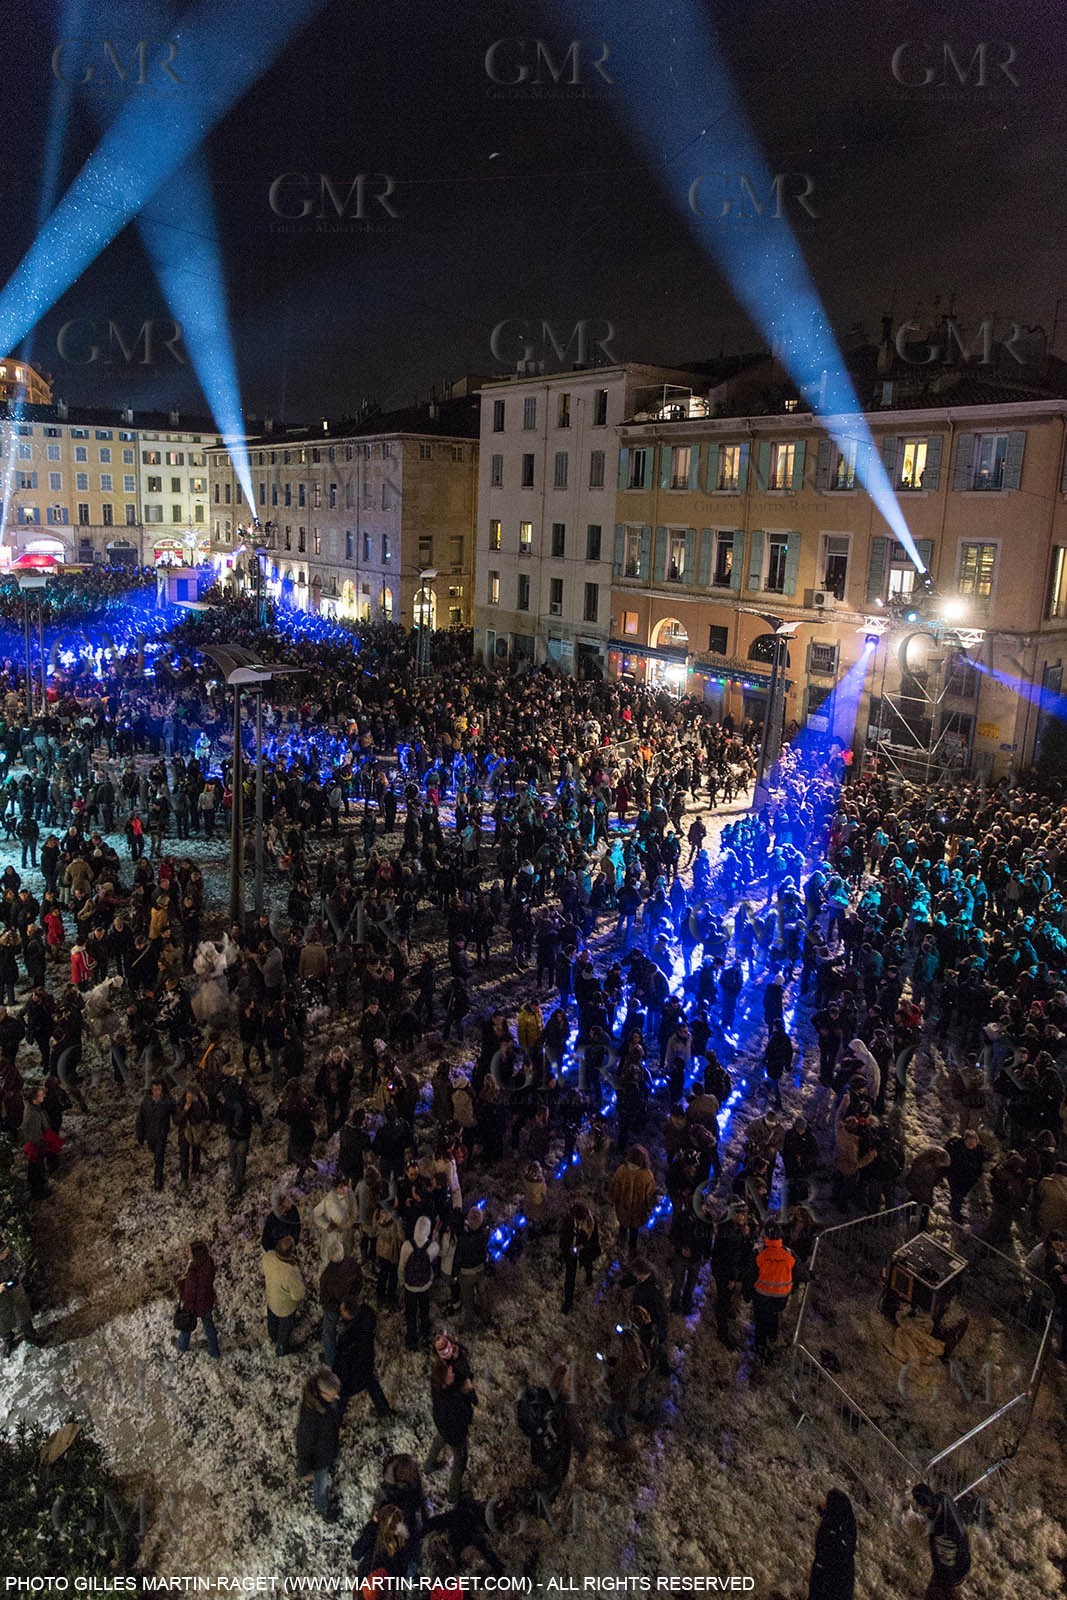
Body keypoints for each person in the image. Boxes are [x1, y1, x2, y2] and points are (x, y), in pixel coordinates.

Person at [425, 1331, 476, 1504]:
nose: (452, 1373)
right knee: (461, 1460)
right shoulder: (449, 1399)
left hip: (443, 1426)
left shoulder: (439, 1381)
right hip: (455, 1431)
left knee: (440, 1438)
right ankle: (453, 1495)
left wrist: (457, 1356)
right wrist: (466, 1391)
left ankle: (428, 1465)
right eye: (450, 1374)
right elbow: (460, 1410)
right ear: (445, 1382)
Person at [334, 1293, 393, 1420]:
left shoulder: (348, 1337)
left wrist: (337, 1373)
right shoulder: (367, 1314)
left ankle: (335, 1421)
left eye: (342, 1311)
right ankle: (384, 1410)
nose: (340, 1313)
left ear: (350, 1315)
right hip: (366, 1362)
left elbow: (341, 1359)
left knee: (342, 1396)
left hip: (352, 1369)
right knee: (371, 1382)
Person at [295, 1367, 342, 1521]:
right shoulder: (310, 1417)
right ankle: (322, 1507)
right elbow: (303, 1445)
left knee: (326, 1475)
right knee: (320, 1485)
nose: (336, 1398)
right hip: (319, 1460)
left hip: (329, 1448)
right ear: (322, 1393)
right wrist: (305, 1470)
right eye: (332, 1395)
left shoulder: (325, 1403)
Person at [911, 1483, 971, 1598]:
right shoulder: (943, 1498)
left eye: (922, 1508)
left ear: (928, 1505)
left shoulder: (947, 1529)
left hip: (952, 1573)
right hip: (945, 1568)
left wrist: (948, 1582)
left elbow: (948, 1558)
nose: (921, 1511)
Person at [752, 1219, 797, 1363]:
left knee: (761, 1320)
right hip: (781, 1297)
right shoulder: (788, 1253)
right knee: (774, 1316)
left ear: (765, 1237)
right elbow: (799, 1271)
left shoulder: (760, 1254)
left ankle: (760, 1346)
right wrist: (809, 1276)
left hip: (762, 1296)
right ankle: (772, 1338)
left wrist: (747, 1293)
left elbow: (750, 1273)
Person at [807, 1488, 856, 1600]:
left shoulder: (838, 1530)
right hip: (829, 1574)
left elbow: (831, 1550)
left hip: (830, 1577)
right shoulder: (842, 1522)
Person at [399, 1213, 439, 1351]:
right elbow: (434, 1260)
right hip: (425, 1285)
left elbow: (402, 1266)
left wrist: (402, 1282)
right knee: (424, 1308)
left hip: (410, 1286)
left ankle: (411, 1337)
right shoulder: (433, 1246)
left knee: (410, 1311)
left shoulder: (406, 1246)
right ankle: (425, 1329)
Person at [175, 1240, 220, 1359]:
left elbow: (188, 1293)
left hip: (195, 1304)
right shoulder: (208, 1262)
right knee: (209, 1325)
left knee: (186, 1325)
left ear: (196, 1255)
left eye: (190, 1252)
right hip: (206, 1301)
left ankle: (181, 1345)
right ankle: (214, 1350)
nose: (188, 1253)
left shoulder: (193, 1272)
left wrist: (181, 1283)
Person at [262, 1234, 306, 1357]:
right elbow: (298, 1295)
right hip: (285, 1308)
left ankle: (272, 1336)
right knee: (284, 1329)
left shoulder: (268, 1256)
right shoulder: (290, 1272)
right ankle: (281, 1348)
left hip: (271, 1299)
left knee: (272, 1321)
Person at [610, 1144, 657, 1258]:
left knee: (622, 1226)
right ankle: (632, 1250)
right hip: (638, 1210)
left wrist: (613, 1198)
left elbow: (615, 1188)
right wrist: (650, 1206)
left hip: (622, 1207)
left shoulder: (621, 1170)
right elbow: (649, 1195)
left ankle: (621, 1246)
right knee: (634, 1231)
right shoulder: (647, 1175)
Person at [0, 1236, 41, 1357]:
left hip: (15, 1292)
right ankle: (8, 1340)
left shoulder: (10, 1253)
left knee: (22, 1314)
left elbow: (21, 1266)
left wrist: (15, 1279)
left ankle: (31, 1336)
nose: (4, 1254)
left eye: (4, 1251)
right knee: (2, 1323)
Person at [559, 1200, 601, 1315]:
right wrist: (566, 1249)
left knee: (588, 1264)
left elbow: (594, 1242)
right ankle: (568, 1302)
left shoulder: (591, 1223)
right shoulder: (569, 1220)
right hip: (571, 1253)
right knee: (569, 1278)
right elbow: (563, 1235)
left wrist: (582, 1247)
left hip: (585, 1252)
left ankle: (589, 1276)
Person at [136, 1078, 175, 1192]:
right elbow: (140, 1119)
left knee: (159, 1157)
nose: (156, 1092)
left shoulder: (167, 1101)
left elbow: (176, 1112)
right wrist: (140, 1135)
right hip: (150, 1134)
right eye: (154, 1089)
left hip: (161, 1134)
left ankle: (158, 1180)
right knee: (154, 1152)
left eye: (158, 1089)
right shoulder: (146, 1101)